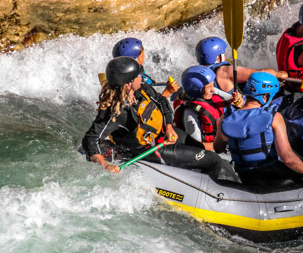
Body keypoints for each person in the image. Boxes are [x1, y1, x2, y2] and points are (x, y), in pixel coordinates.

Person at [82, 56, 226, 178]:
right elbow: (91, 138)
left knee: (201, 149)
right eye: (138, 75)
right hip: (150, 150)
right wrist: (105, 165)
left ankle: (190, 172)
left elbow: (162, 102)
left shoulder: (142, 89)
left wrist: (169, 127)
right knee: (213, 161)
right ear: (128, 85)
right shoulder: (115, 112)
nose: (141, 77)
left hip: (165, 135)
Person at [213, 72, 303, 184]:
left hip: (245, 177)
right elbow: (287, 158)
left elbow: (218, 148)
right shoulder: (274, 117)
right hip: (272, 176)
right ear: (265, 97)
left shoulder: (226, 117)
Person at [173, 65, 242, 151]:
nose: (213, 89)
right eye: (209, 87)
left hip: (225, 138)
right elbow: (197, 146)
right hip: (213, 149)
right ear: (196, 89)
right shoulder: (190, 113)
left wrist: (237, 100)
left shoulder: (210, 92)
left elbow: (236, 101)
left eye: (213, 85)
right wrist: (225, 143)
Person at [195, 36, 287, 93]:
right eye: (223, 53)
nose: (226, 56)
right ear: (218, 58)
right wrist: (279, 74)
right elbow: (260, 74)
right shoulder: (225, 71)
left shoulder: (197, 75)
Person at [112, 37, 178, 99]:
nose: (144, 57)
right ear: (135, 60)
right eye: (141, 55)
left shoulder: (123, 75)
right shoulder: (134, 85)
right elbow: (153, 108)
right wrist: (168, 91)